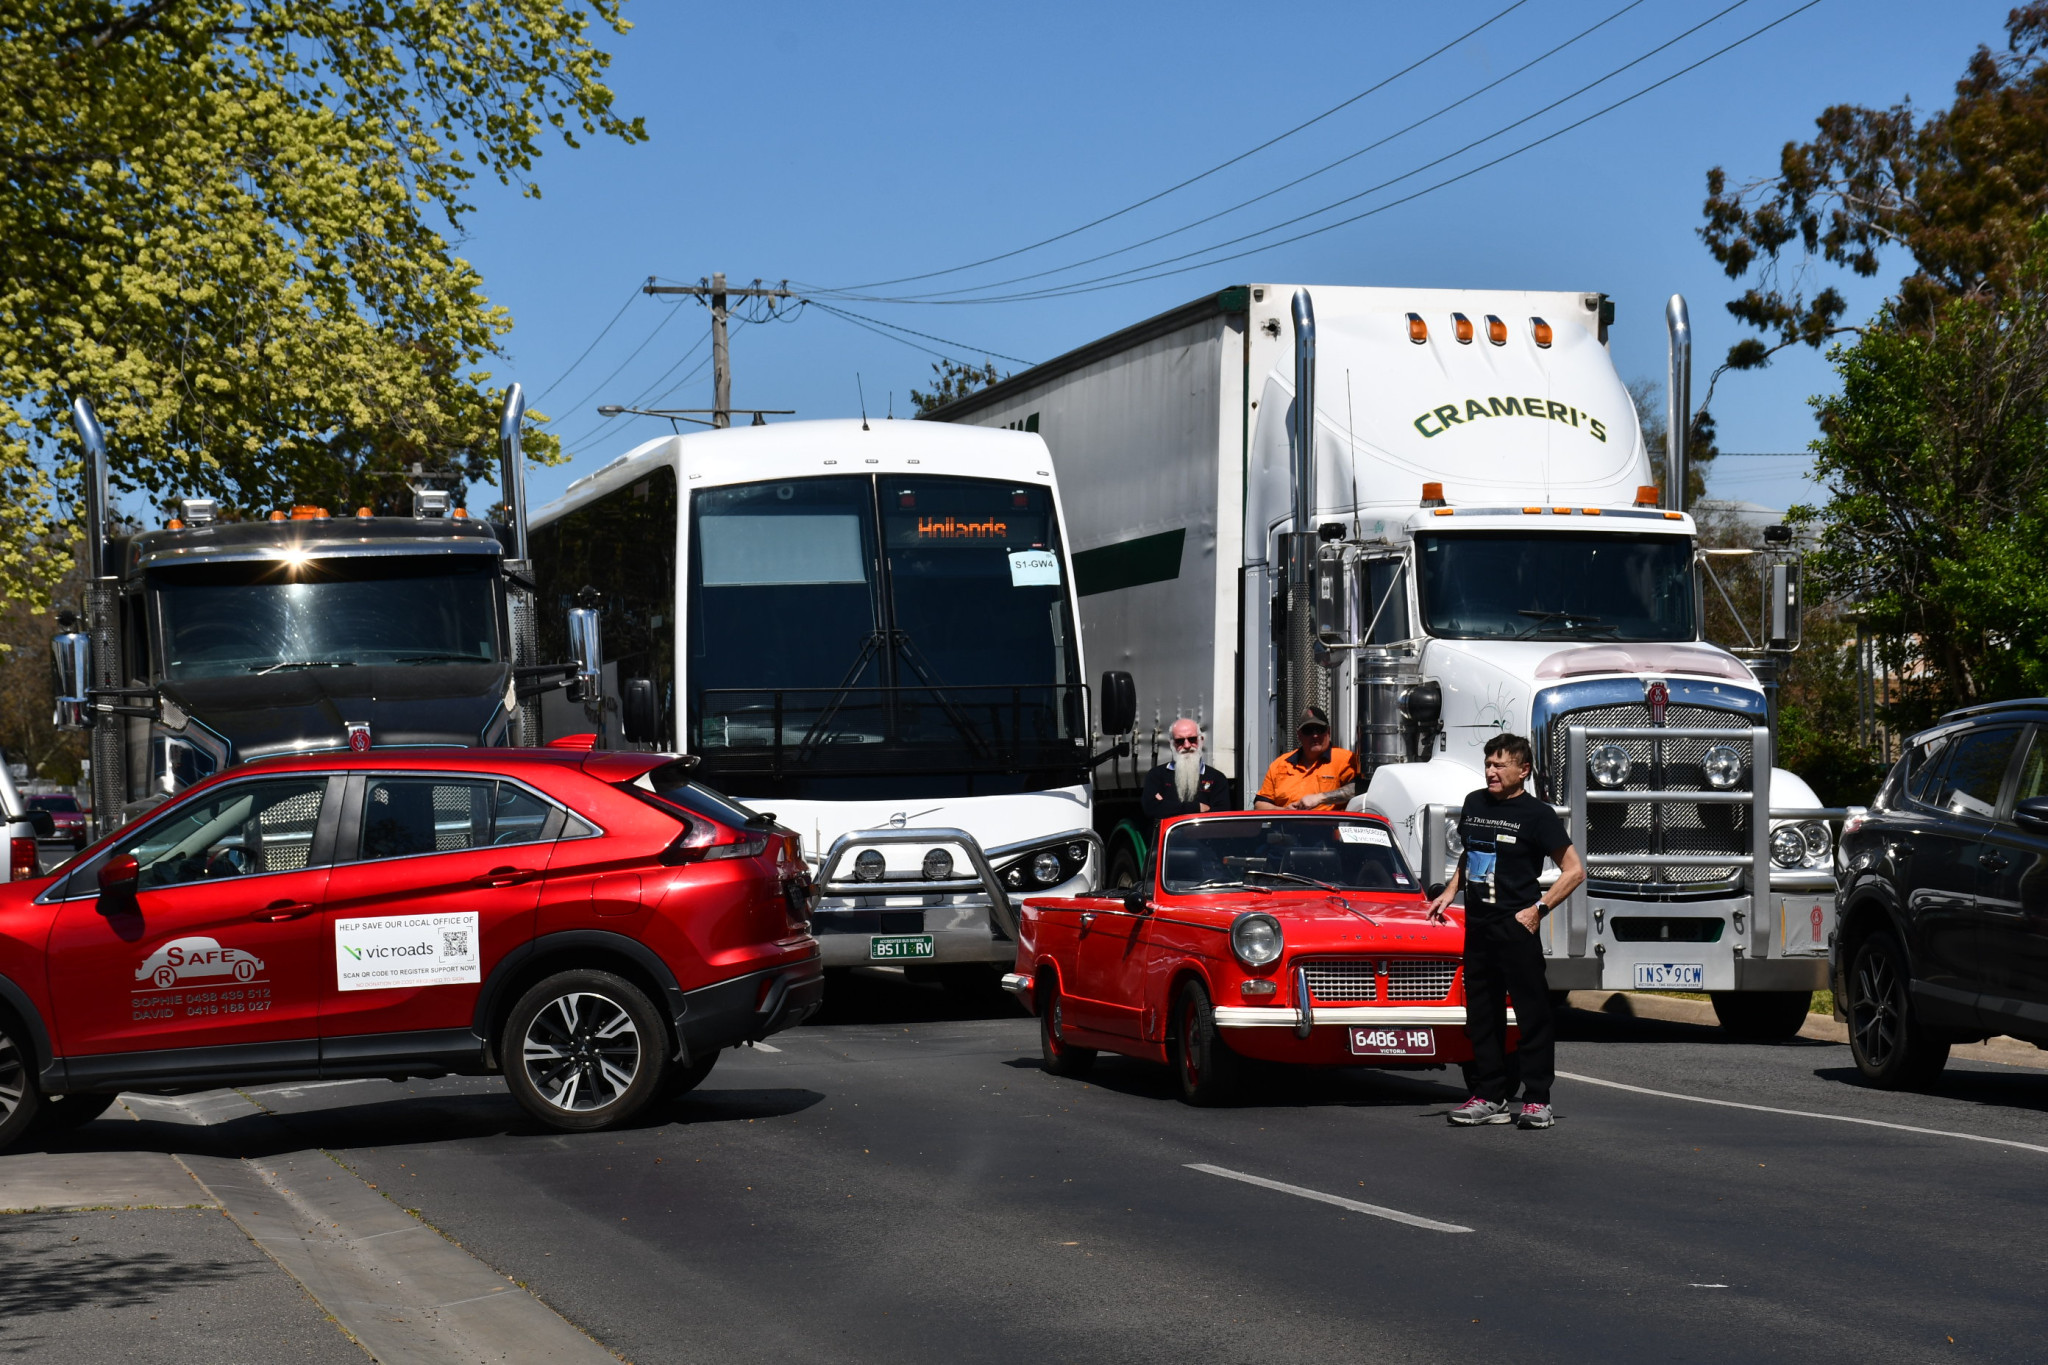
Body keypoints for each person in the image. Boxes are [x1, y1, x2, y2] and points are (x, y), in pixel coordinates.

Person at [1429, 732, 1585, 1130]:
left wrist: (1539, 910)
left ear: (1523, 770)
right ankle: (1490, 1095)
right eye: (1488, 764)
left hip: (1517, 926)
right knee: (1482, 1015)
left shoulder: (1537, 815)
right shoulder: (1474, 803)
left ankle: (1536, 1099)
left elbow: (1574, 870)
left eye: (1500, 765)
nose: (1491, 771)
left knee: (1531, 1013)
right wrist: (1450, 891)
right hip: (1478, 927)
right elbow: (1472, 851)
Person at [1254, 706, 1359, 811]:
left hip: (1329, 827)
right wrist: (1284, 811)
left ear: (1328, 731)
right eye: (1308, 731)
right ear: (1299, 735)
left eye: (1320, 730)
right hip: (1287, 826)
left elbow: (1359, 789)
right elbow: (1259, 805)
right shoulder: (1280, 764)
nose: (1315, 735)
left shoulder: (1345, 759)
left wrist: (1320, 798)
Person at [1141, 718, 1235, 833]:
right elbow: (1151, 809)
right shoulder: (1156, 775)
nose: (1186, 745)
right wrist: (1197, 807)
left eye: (1192, 739)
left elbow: (1221, 816)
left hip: (1205, 843)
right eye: (1180, 741)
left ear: (1201, 740)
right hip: (1167, 845)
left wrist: (1168, 806)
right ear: (1171, 743)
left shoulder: (1217, 778)